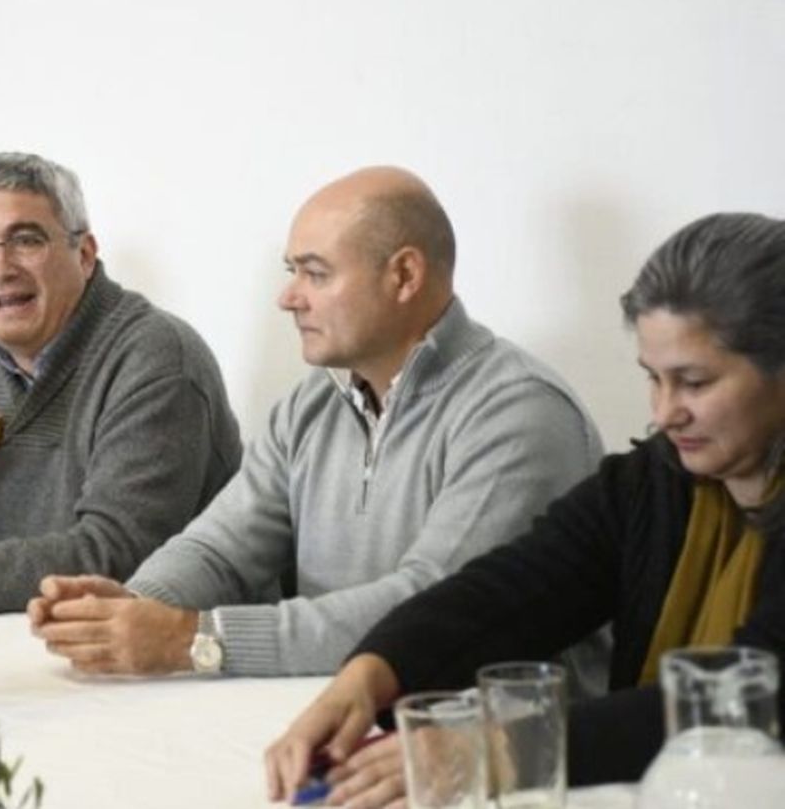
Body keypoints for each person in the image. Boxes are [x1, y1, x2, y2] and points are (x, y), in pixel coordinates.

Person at [265, 212, 785, 804]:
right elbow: (515, 588)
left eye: (694, 383)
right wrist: (368, 676)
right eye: (653, 380)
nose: (666, 413)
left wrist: (488, 751)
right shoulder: (657, 480)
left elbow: (754, 697)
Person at [30, 166, 604, 682]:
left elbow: (433, 603)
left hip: (501, 757)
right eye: (291, 271)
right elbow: (220, 550)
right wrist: (128, 609)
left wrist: (197, 640)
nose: (288, 298)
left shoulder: (519, 410)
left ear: (404, 276)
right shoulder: (311, 405)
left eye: (315, 274)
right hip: (344, 717)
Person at [0, 152, 242, 615]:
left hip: (166, 669)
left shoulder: (155, 357)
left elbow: (114, 556)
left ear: (84, 253)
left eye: (25, 240)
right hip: (17, 646)